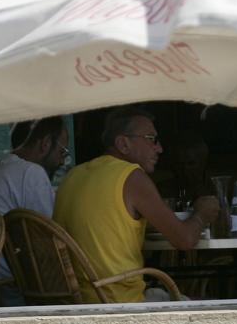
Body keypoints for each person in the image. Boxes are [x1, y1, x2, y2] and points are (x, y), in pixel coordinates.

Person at [53, 106, 219, 303]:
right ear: (123, 144)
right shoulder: (131, 176)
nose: (160, 148)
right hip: (119, 302)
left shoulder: (73, 175)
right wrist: (201, 213)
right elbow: (184, 240)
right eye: (151, 139)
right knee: (210, 305)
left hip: (79, 301)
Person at [0, 116, 68, 303]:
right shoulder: (32, 173)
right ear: (46, 144)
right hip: (17, 290)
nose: (62, 161)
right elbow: (47, 246)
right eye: (62, 152)